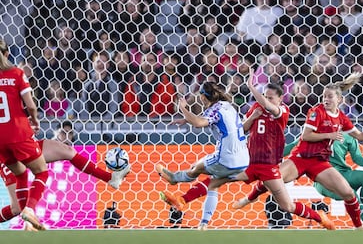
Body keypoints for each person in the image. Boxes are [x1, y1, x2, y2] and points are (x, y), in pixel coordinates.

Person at [159, 70, 335, 230]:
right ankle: (183, 201)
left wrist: (251, 87)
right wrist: (251, 117)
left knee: (287, 206)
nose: (266, 99)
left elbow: (271, 107)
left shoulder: (282, 110)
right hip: (249, 163)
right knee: (214, 181)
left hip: (269, 167)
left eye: (271, 97)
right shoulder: (256, 109)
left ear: (280, 99)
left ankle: (320, 219)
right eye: (265, 96)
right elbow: (241, 130)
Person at [233, 72, 363, 229]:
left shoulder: (341, 117)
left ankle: (359, 227)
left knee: (348, 193)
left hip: (319, 162)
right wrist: (330, 135)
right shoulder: (316, 112)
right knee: (272, 178)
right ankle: (248, 199)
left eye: (329, 97)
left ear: (339, 100)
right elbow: (306, 136)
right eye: (324, 96)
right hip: (300, 158)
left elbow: (360, 135)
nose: (326, 99)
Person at [0, 122, 131, 230]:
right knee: (16, 208)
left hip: (22, 143)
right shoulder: (17, 92)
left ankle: (111, 178)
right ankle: (28, 214)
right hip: (5, 150)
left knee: (67, 151)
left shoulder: (16, 94)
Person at [156, 81, 250, 230]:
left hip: (226, 158)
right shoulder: (227, 106)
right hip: (244, 160)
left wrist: (184, 109)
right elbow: (209, 119)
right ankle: (204, 223)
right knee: (213, 184)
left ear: (204, 97)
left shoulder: (214, 110)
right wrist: (188, 119)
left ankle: (175, 178)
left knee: (196, 167)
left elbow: (199, 123)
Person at [282, 133, 363, 229]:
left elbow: (357, 158)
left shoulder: (349, 134)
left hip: (343, 173)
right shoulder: (313, 132)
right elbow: (291, 147)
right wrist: (271, 155)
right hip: (322, 178)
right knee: (348, 190)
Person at [0, 39, 48, 231]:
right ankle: (29, 210)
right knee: (41, 171)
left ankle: (27, 225)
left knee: (20, 173)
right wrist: (35, 121)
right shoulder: (16, 73)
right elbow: (31, 105)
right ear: (8, 53)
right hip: (18, 133)